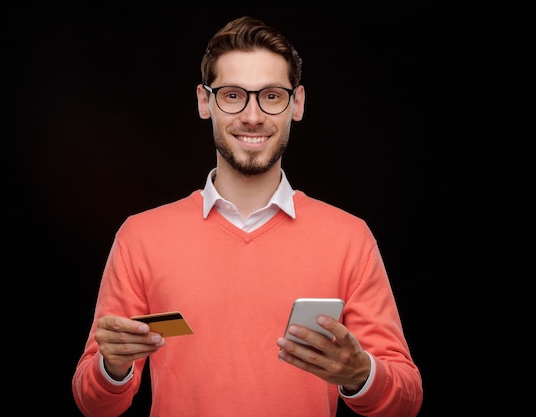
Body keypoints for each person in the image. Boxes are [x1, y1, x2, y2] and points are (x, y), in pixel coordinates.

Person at [72, 15, 423, 417]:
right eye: (233, 95)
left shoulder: (350, 238)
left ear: (298, 104)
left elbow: (406, 399)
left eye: (271, 96)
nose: (253, 116)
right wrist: (111, 366)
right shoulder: (141, 237)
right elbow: (93, 402)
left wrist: (361, 374)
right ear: (205, 102)